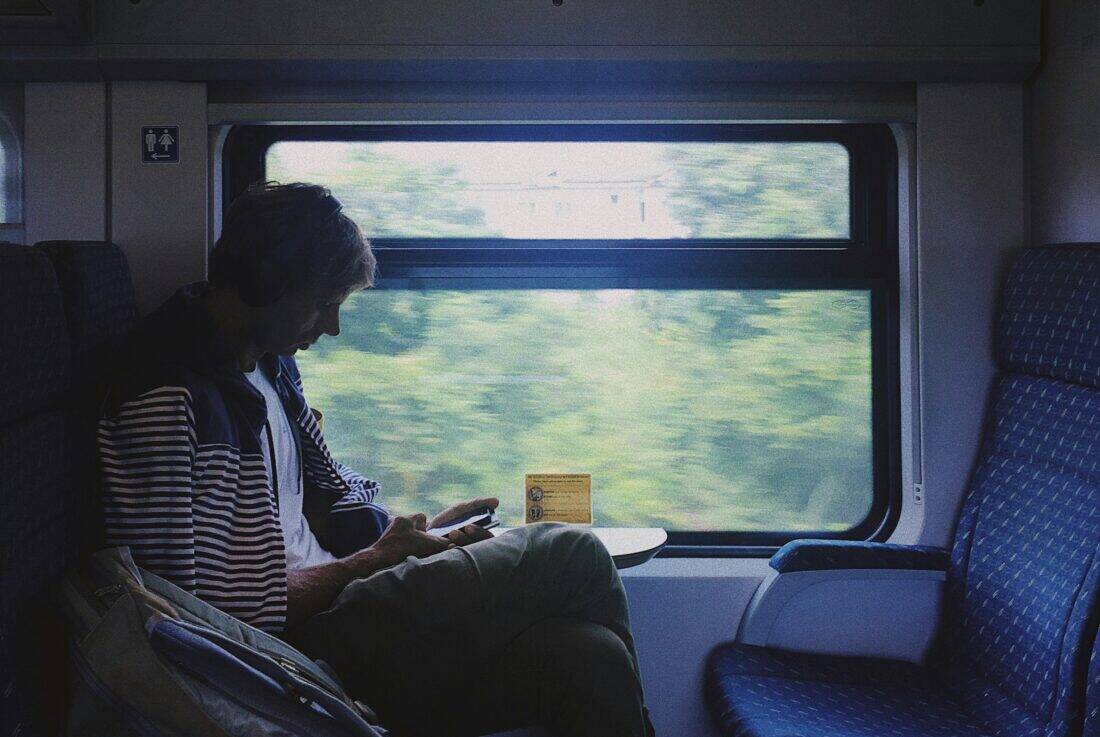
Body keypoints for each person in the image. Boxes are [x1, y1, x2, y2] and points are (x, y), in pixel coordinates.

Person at [98, 181, 654, 737]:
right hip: (286, 648)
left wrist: (413, 540)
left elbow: (322, 503)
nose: (333, 327)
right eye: (324, 304)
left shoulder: (268, 364)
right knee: (572, 552)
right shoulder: (168, 395)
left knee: (589, 655)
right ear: (265, 281)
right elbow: (187, 615)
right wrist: (374, 561)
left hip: (336, 599)